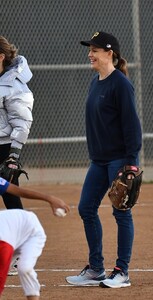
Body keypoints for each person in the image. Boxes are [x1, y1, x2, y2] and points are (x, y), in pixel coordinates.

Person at [66, 31, 142, 288]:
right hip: (98, 160)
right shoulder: (96, 81)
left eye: (95, 50)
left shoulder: (120, 84)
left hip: (118, 159)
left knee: (121, 212)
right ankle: (96, 268)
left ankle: (122, 271)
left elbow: (132, 126)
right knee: (86, 208)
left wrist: (131, 163)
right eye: (90, 50)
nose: (90, 54)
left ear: (110, 53)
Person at [0, 176, 70, 299]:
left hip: (30, 231)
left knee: (24, 268)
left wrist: (50, 198)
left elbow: (17, 191)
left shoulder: (3, 245)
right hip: (12, 231)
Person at [0, 35, 34, 209]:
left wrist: (13, 157)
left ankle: (21, 234)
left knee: (11, 197)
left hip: (4, 149)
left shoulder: (14, 85)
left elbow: (22, 122)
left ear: (1, 57)